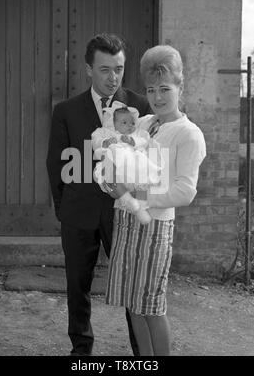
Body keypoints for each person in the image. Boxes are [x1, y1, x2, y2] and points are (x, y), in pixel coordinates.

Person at [46, 33, 150, 356]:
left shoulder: (140, 106)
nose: (113, 77)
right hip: (78, 213)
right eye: (105, 69)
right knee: (78, 286)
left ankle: (141, 353)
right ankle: (81, 349)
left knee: (133, 289)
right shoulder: (66, 110)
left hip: (124, 213)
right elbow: (56, 163)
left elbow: (149, 162)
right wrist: (64, 210)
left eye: (119, 68)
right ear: (88, 69)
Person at [105, 45, 206, 356]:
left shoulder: (189, 134)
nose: (158, 97)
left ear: (180, 87)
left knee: (151, 304)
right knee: (133, 305)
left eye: (165, 88)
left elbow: (185, 191)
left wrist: (142, 196)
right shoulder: (145, 123)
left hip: (156, 227)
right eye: (151, 89)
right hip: (127, 220)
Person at [91, 102, 162, 225]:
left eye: (132, 123)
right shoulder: (108, 133)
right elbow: (95, 140)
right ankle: (130, 202)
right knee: (111, 179)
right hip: (116, 164)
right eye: (124, 123)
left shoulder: (137, 133)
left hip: (134, 163)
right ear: (114, 124)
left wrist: (133, 141)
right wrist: (105, 142)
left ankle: (141, 207)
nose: (129, 126)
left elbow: (145, 140)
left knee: (143, 178)